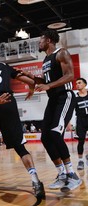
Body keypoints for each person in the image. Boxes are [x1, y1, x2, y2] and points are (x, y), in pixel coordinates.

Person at [0, 48, 45, 200]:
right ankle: (36, 181)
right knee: (20, 146)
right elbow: (30, 81)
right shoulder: (6, 67)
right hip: (9, 101)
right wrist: (31, 90)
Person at [33, 29, 81, 192]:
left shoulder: (61, 53)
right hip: (53, 99)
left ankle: (72, 175)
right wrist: (32, 78)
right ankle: (61, 174)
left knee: (55, 133)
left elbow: (70, 76)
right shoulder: (46, 60)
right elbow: (47, 81)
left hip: (65, 96)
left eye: (40, 39)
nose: (39, 42)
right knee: (45, 137)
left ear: (48, 40)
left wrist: (48, 85)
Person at [74, 78, 88, 170]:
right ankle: (80, 161)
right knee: (81, 141)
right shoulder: (75, 98)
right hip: (80, 120)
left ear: (85, 84)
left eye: (79, 83)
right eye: (76, 83)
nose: (77, 84)